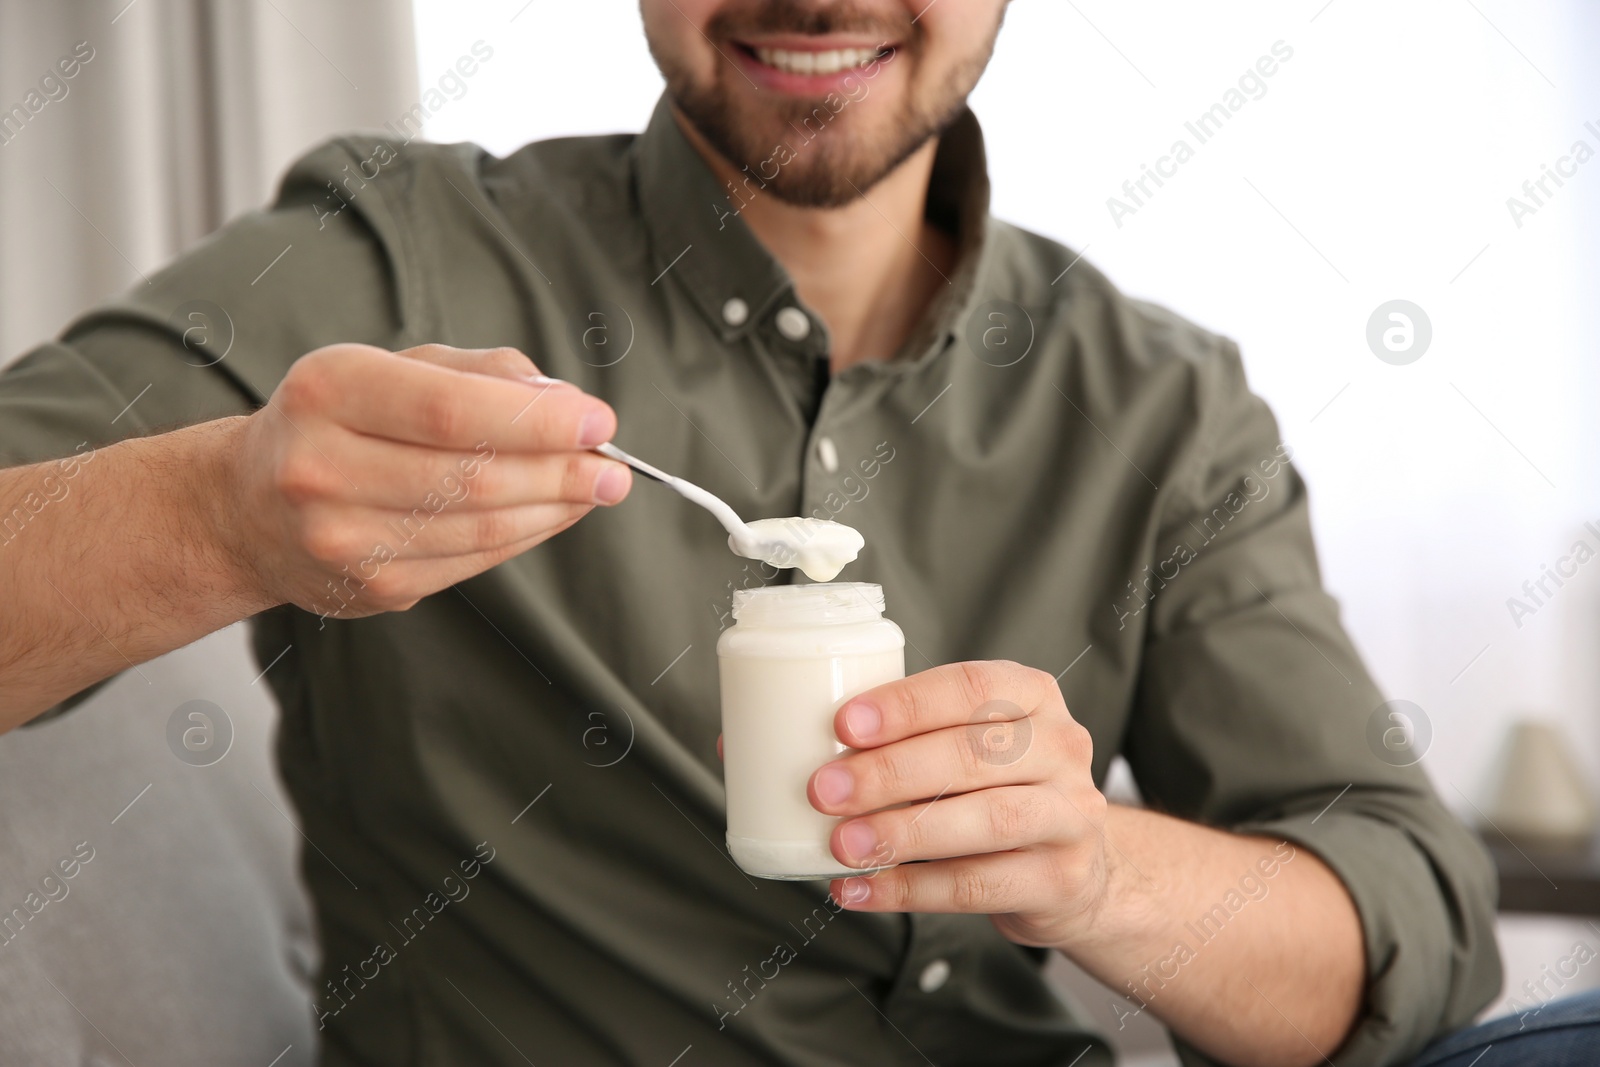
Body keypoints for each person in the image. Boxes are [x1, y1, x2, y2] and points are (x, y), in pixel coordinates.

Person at [2, 1, 1588, 1064]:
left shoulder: (1161, 404)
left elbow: (1411, 927)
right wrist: (216, 510)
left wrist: (1097, 868)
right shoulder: (390, 265)